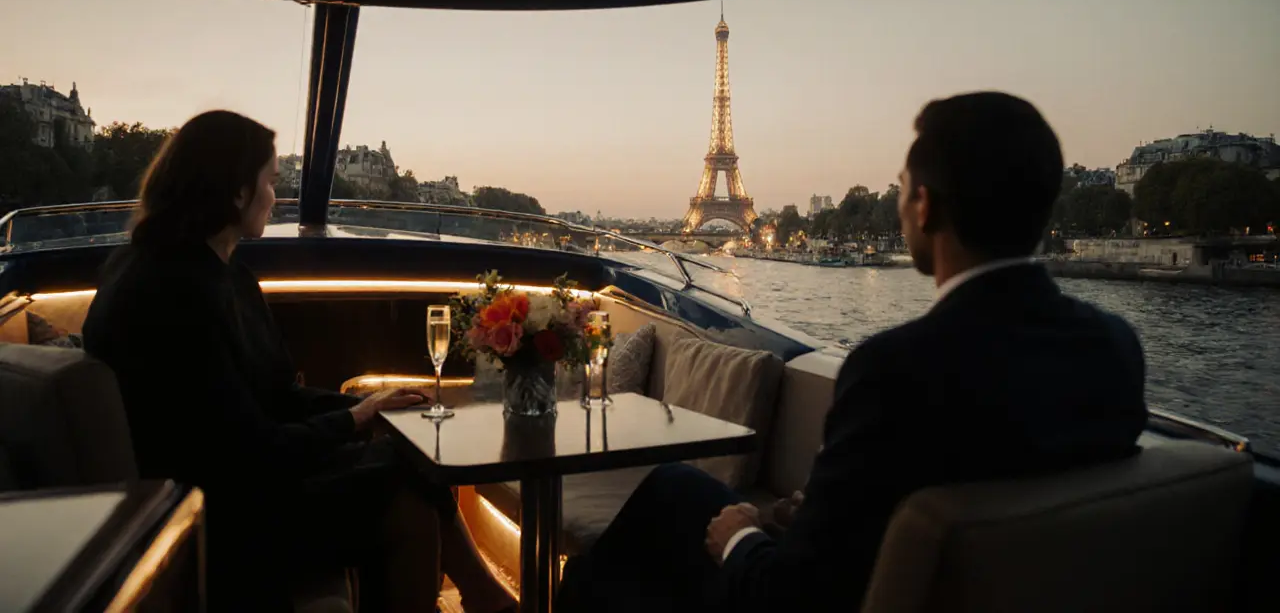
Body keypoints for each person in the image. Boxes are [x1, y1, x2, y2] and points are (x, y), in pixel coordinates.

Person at [556, 92, 1149, 613]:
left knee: (641, 541)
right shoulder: (1115, 349)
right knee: (677, 485)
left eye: (901, 190)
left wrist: (740, 539)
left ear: (925, 207)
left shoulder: (895, 369)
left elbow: (792, 597)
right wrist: (820, 513)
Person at [82, 111, 516, 613]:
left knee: (410, 462)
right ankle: (486, 598)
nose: (278, 196)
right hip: (213, 515)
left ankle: (486, 598)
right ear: (237, 192)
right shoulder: (170, 293)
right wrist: (352, 419)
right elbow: (243, 448)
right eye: (270, 181)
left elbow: (276, 395)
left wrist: (366, 407)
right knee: (405, 488)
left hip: (236, 482)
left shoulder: (206, 273)